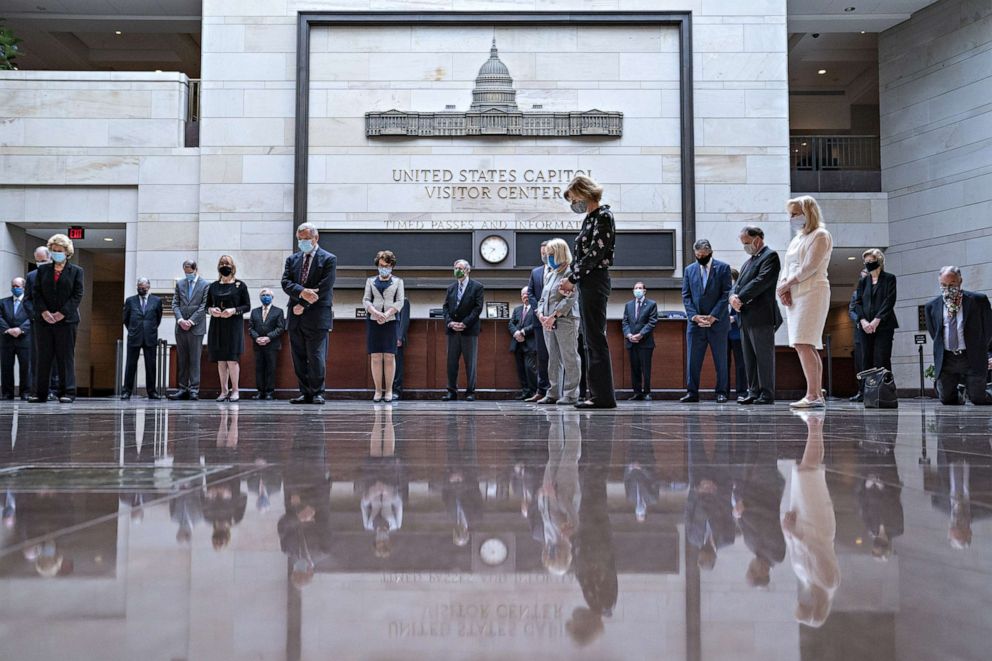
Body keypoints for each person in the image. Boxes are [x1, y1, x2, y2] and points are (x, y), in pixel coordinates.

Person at [560, 175, 617, 409]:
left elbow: (595, 253)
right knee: (588, 338)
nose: (574, 204)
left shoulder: (604, 216)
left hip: (595, 280)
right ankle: (594, 393)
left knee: (595, 338)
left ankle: (603, 396)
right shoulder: (590, 218)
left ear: (584, 193)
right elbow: (582, 256)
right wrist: (571, 276)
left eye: (574, 199)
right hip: (587, 280)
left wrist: (573, 278)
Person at [782, 411, 840, 628]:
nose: (802, 599)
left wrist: (788, 532)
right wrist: (795, 534)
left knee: (806, 472)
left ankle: (816, 428)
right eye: (805, 604)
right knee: (809, 472)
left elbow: (794, 552)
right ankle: (814, 426)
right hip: (817, 525)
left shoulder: (806, 580)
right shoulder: (828, 582)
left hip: (800, 524)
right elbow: (816, 550)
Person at [777, 195, 833, 409]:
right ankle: (816, 393)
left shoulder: (820, 235)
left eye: (795, 214)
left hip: (812, 292)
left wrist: (787, 284)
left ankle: (813, 395)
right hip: (796, 293)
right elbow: (787, 265)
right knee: (803, 344)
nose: (791, 218)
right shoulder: (798, 238)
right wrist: (783, 287)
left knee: (804, 342)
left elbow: (810, 266)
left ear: (807, 213)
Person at [281, 223, 336, 405]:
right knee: (298, 356)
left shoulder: (328, 259)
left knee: (316, 356)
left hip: (317, 316)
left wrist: (303, 303)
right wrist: (302, 291)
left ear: (315, 238)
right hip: (295, 317)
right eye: (300, 239)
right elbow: (285, 283)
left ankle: (318, 392)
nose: (303, 242)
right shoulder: (292, 260)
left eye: (306, 239)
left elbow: (324, 288)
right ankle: (305, 392)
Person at [924, 266, 992, 405]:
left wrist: (982, 349)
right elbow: (934, 333)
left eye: (952, 284)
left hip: (971, 356)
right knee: (946, 399)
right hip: (947, 358)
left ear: (960, 281)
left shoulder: (978, 301)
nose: (948, 288)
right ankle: (960, 395)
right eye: (943, 285)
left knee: (978, 398)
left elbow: (988, 328)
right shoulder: (931, 306)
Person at [29, 234, 83, 404]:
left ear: (67, 252)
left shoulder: (76, 271)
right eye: (53, 251)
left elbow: (77, 295)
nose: (56, 254)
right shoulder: (42, 270)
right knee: (43, 357)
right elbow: (36, 293)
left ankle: (67, 391)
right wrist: (44, 312)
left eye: (59, 251)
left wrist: (62, 313)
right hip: (44, 321)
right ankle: (40, 393)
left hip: (66, 321)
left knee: (65, 356)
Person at [731, 226, 782, 405]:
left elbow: (761, 282)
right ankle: (753, 392)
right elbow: (736, 284)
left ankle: (766, 394)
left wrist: (741, 298)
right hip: (745, 317)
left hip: (761, 317)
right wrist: (732, 297)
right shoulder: (748, 262)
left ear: (757, 239)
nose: (745, 246)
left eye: (746, 242)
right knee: (749, 358)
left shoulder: (770, 257)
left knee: (763, 357)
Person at [681, 238, 733, 403]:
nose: (700, 257)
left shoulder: (723, 268)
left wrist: (713, 316)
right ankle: (692, 392)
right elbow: (686, 295)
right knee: (692, 360)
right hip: (695, 324)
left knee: (721, 360)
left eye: (703, 254)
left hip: (717, 323)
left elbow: (726, 294)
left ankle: (722, 392)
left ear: (710, 253)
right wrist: (694, 316)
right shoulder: (689, 270)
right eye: (697, 254)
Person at [537, 238, 582, 405]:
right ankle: (553, 392)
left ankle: (571, 394)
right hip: (547, 322)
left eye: (550, 254)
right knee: (553, 359)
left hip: (565, 320)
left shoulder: (570, 274)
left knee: (569, 357)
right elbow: (543, 299)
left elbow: (571, 299)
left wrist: (554, 316)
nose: (547, 258)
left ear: (559, 254)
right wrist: (541, 315)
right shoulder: (550, 274)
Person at [853, 249, 899, 399]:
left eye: (870, 262)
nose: (867, 265)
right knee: (866, 359)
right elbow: (858, 302)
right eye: (865, 262)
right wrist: (863, 321)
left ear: (879, 261)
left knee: (882, 358)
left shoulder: (889, 279)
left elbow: (889, 301)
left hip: (884, 325)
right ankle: (868, 392)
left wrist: (876, 320)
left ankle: (886, 392)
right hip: (865, 326)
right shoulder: (863, 281)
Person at [206, 255, 251, 402]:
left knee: (232, 360)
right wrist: (211, 311)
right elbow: (207, 306)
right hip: (217, 325)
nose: (224, 265)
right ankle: (223, 391)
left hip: (233, 325)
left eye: (227, 263)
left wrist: (233, 310)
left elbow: (247, 306)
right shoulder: (213, 286)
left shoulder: (240, 285)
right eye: (222, 263)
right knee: (221, 360)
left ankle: (235, 390)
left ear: (233, 267)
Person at [363, 250, 405, 403]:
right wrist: (375, 312)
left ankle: (389, 390)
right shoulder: (370, 281)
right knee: (375, 356)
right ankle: (378, 390)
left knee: (389, 356)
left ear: (392, 266)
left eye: (386, 266)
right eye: (381, 265)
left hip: (391, 321)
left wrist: (386, 315)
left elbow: (400, 302)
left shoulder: (398, 282)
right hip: (373, 321)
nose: (383, 268)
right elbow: (366, 300)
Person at [442, 259, 484, 402]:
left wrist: (464, 323)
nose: (457, 270)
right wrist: (450, 323)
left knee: (470, 362)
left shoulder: (477, 287)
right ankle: (451, 391)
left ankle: (470, 391)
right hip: (453, 330)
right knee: (451, 362)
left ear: (467, 270)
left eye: (459, 268)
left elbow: (477, 308)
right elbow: (445, 307)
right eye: (455, 268)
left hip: (469, 330)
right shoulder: (451, 288)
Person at [169, 259, 209, 400]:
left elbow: (204, 306)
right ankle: (182, 388)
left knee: (194, 359)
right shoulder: (180, 284)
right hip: (180, 328)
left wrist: (191, 321)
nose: (188, 275)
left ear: (195, 269)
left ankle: (194, 390)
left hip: (196, 328)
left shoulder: (205, 285)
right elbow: (175, 304)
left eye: (190, 272)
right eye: (186, 272)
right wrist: (180, 320)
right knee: (183, 359)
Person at [121, 277, 163, 400]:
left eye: (143, 287)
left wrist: (149, 329)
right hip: (134, 336)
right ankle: (126, 391)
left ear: (148, 287)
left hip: (150, 336)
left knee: (151, 365)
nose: (141, 289)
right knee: (130, 365)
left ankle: (152, 391)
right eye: (139, 287)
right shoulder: (130, 301)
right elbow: (126, 319)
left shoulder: (156, 301)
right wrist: (133, 330)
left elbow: (158, 318)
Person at [24, 246, 58, 400]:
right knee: (37, 358)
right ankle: (37, 390)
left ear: (50, 259)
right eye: (37, 261)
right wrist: (36, 316)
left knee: (56, 359)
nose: (40, 264)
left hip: (57, 323)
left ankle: (54, 389)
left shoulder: (59, 274)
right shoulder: (31, 276)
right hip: (38, 323)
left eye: (43, 261)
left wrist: (56, 315)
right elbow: (27, 301)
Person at [622, 281, 658, 401]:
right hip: (631, 342)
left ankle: (647, 392)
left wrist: (641, 334)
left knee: (645, 368)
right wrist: (628, 334)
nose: (637, 290)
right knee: (634, 368)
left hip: (645, 342)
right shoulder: (629, 305)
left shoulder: (651, 304)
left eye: (640, 288)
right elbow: (625, 322)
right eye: (635, 288)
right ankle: (637, 393)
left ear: (644, 291)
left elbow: (652, 322)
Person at [248, 287, 285, 400]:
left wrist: (268, 337)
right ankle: (260, 392)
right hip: (258, 345)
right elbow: (250, 328)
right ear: (260, 298)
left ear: (272, 297)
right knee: (259, 368)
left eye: (268, 295)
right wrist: (257, 338)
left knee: (270, 368)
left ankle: (269, 392)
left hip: (272, 345)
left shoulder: (278, 311)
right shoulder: (254, 311)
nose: (265, 297)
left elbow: (280, 328)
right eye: (263, 295)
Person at [526, 241, 552, 402]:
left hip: (556, 320)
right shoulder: (535, 272)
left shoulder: (561, 271)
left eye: (547, 252)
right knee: (542, 357)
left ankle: (558, 390)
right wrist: (538, 313)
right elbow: (530, 293)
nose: (544, 255)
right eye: (542, 252)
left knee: (557, 357)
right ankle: (542, 390)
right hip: (539, 320)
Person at [0, 277, 31, 400]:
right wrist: (8, 329)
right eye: (13, 286)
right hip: (7, 339)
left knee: (26, 367)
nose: (15, 288)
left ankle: (26, 393)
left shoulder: (29, 303)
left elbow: (32, 318)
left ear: (24, 287)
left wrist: (21, 329)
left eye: (18, 286)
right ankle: (7, 393)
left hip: (25, 339)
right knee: (6, 367)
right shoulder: (3, 302)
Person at [508, 286, 538, 400]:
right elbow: (511, 323)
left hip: (530, 343)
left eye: (526, 294)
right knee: (520, 370)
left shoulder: (536, 309)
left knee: (530, 368)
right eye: (523, 295)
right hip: (517, 344)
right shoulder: (517, 309)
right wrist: (516, 333)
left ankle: (534, 392)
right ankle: (525, 392)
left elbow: (536, 324)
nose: (525, 296)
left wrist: (523, 332)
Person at [847, 270, 867, 402]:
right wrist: (860, 320)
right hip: (860, 334)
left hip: (875, 331)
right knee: (860, 364)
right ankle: (861, 391)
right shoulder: (856, 294)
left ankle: (875, 390)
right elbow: (851, 311)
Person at [727, 269, 747, 399]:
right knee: (723, 364)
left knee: (741, 364)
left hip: (737, 332)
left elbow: (745, 309)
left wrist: (734, 318)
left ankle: (741, 392)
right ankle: (724, 392)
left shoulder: (740, 290)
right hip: (723, 333)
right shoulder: (721, 291)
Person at [392, 298, 411, 401]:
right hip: (384, 337)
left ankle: (396, 391)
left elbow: (404, 320)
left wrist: (399, 337)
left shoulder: (404, 301)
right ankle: (386, 391)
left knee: (397, 366)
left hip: (396, 339)